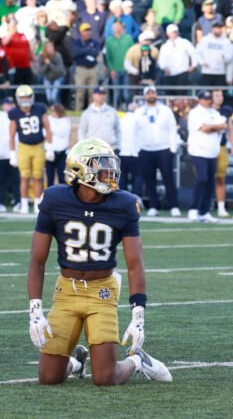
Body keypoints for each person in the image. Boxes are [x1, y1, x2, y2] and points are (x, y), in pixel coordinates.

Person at [27, 138, 172, 385]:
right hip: (66, 293)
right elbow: (37, 260)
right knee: (48, 377)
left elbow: (135, 263)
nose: (110, 173)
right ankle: (75, 362)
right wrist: (35, 311)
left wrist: (138, 316)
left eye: (110, 166)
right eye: (102, 166)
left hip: (102, 292)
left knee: (105, 378)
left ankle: (137, 360)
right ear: (80, 169)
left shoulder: (124, 203)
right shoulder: (54, 200)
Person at [134, 85, 181, 217]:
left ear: (156, 94)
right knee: (149, 179)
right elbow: (135, 131)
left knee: (168, 178)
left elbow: (172, 128)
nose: (151, 95)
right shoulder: (139, 112)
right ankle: (153, 206)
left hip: (164, 148)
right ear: (144, 96)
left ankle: (174, 206)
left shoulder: (165, 110)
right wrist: (137, 149)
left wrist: (173, 148)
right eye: (148, 93)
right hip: (145, 149)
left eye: (153, 93)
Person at [9, 85, 53, 214]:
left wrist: (49, 147)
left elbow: (48, 129)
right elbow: (11, 135)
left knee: (38, 176)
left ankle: (36, 204)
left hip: (38, 145)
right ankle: (23, 203)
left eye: (27, 96)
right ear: (18, 98)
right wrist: (12, 153)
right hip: (23, 147)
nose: (25, 99)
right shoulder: (14, 113)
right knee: (24, 176)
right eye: (22, 97)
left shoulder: (39, 108)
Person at [186, 90, 227, 223]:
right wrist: (216, 127)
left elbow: (224, 126)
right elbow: (203, 128)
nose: (207, 100)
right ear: (199, 99)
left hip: (212, 152)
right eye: (204, 98)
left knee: (210, 183)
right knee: (202, 179)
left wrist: (211, 127)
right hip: (198, 151)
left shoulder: (214, 112)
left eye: (209, 98)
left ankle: (204, 212)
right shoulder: (195, 112)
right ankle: (193, 209)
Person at [211, 89, 233, 217]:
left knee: (220, 177)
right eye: (216, 95)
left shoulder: (226, 110)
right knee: (205, 178)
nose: (220, 97)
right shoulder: (206, 110)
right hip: (207, 147)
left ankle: (221, 206)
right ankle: (205, 205)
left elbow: (230, 128)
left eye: (220, 95)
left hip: (221, 146)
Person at [45, 104, 71, 186]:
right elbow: (45, 133)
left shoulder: (66, 120)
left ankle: (63, 197)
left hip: (62, 152)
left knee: (61, 177)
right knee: (50, 177)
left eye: (53, 110)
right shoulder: (48, 119)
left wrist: (50, 130)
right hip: (50, 152)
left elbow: (61, 132)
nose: (51, 112)